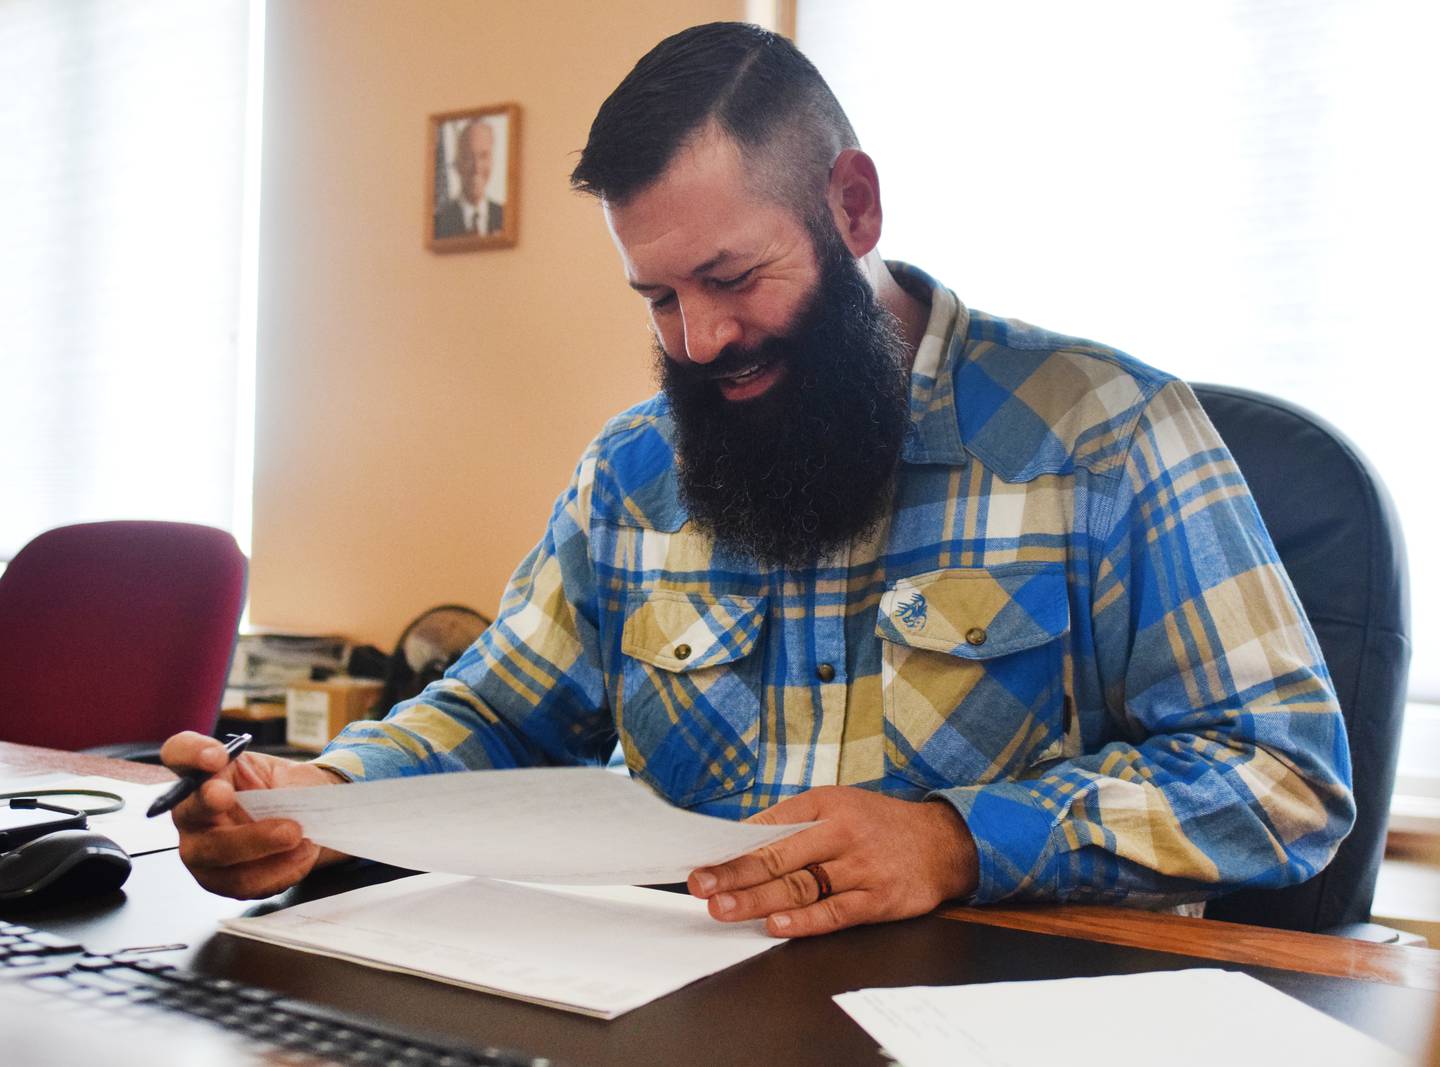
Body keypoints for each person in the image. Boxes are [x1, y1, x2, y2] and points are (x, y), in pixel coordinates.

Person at [165, 23, 1354, 938]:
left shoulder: (1108, 432)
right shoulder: (634, 472)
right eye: (659, 296)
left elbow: (1283, 774)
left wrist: (958, 840)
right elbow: (499, 709)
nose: (698, 339)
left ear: (853, 205)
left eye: (733, 275)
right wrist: (319, 796)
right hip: (683, 1002)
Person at [433, 119, 504, 238]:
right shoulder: (438, 224)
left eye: (483, 156)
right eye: (468, 157)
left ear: (492, 161)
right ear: (457, 163)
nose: (476, 166)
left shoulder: (506, 218)